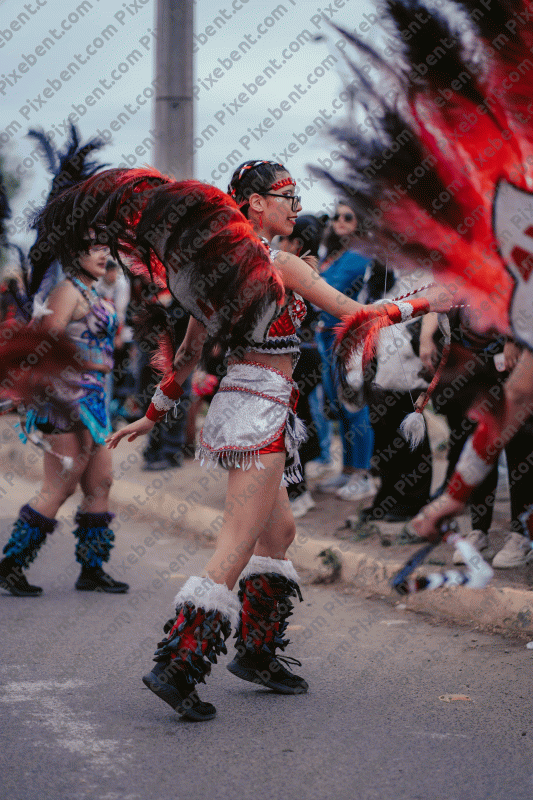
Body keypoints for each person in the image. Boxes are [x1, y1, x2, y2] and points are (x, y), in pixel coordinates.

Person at [105, 160, 453, 721]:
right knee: (235, 545)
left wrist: (153, 414)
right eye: (286, 195)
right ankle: (178, 667)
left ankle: (257, 653)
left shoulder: (219, 272)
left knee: (280, 533)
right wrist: (426, 303)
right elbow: (357, 315)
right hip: (260, 409)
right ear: (255, 204)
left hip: (251, 403)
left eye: (296, 196)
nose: (297, 206)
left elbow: (190, 353)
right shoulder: (278, 263)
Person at [0, 239, 129, 597]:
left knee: (100, 484)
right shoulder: (67, 291)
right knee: (60, 486)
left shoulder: (92, 291)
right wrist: (89, 363)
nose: (104, 253)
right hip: (65, 403)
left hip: (94, 404)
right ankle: (11, 566)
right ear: (73, 251)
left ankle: (92, 569)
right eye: (94, 246)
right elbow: (45, 348)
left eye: (106, 246)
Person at [315, 201, 375, 502]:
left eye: (348, 217)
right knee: (339, 406)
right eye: (335, 216)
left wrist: (308, 278)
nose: (339, 221)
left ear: (360, 222)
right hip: (327, 338)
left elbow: (325, 288)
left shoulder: (359, 254)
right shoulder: (334, 253)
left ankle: (362, 475)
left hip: (349, 340)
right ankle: (348, 470)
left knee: (355, 407)